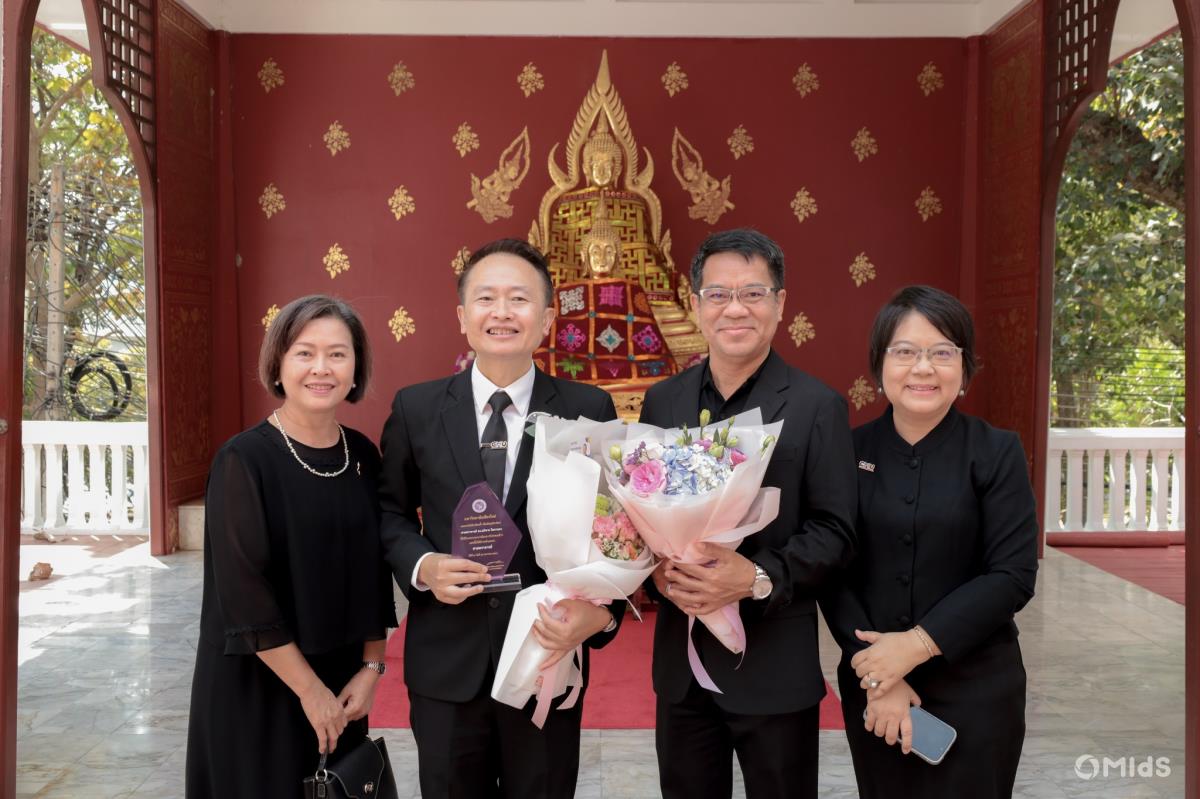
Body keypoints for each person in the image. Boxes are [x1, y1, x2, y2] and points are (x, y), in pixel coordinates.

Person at [378, 238, 621, 798]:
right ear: (463, 316)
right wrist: (423, 566)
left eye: (519, 299)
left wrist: (601, 616)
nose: (502, 312)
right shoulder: (416, 409)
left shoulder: (588, 409)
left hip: (545, 654)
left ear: (547, 319)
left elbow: (615, 531)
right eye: (486, 298)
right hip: (447, 663)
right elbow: (389, 511)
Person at [639, 228, 857, 799]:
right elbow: (643, 514)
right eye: (718, 294)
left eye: (753, 293)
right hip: (683, 673)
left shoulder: (817, 406)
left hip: (774, 667)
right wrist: (655, 570)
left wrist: (756, 576)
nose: (735, 308)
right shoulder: (663, 401)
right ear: (696, 305)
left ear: (780, 304)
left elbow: (836, 532)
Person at [823, 285, 1038, 798]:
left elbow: (1012, 575)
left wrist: (915, 646)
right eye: (905, 352)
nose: (923, 368)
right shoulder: (846, 452)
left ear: (964, 368)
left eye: (942, 353)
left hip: (978, 686)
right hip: (876, 689)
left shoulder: (996, 452)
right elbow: (831, 569)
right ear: (879, 365)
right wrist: (882, 676)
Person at [185, 295, 397, 798]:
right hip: (259, 680)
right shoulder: (243, 460)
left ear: (356, 367)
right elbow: (243, 594)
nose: (321, 368)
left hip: (341, 681)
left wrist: (371, 668)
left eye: (337, 354)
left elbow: (374, 571)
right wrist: (309, 691)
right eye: (305, 353)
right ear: (278, 363)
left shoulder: (362, 455)